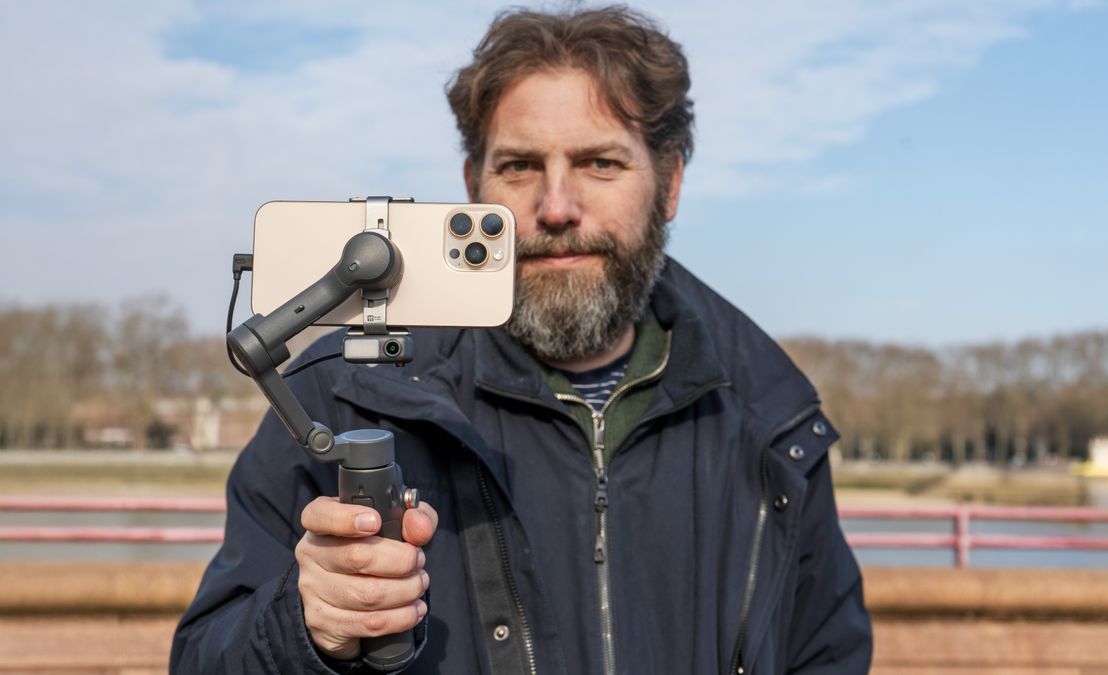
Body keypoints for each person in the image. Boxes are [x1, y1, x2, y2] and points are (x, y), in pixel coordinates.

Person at [171, 6, 872, 674]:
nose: (557, 208)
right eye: (520, 166)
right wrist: (307, 627)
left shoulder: (770, 415)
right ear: (473, 185)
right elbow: (204, 658)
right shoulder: (341, 397)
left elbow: (827, 653)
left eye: (601, 163)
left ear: (670, 184)